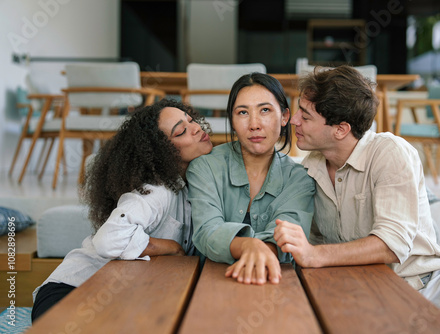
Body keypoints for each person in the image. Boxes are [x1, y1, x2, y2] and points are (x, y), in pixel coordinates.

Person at [273, 65, 440, 333]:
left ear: (341, 129)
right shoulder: (309, 168)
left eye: (306, 116)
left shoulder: (389, 152)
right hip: (371, 293)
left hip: (431, 283)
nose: (293, 120)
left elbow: (391, 245)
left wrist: (315, 255)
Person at [31, 99, 213, 321]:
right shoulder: (157, 190)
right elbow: (109, 240)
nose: (196, 128)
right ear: (162, 151)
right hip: (72, 291)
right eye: (182, 131)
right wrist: (172, 247)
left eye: (191, 120)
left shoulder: (192, 186)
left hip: (116, 295)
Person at [186, 73, 315, 285]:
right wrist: (250, 246)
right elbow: (206, 232)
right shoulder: (205, 167)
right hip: (210, 282)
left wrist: (262, 251)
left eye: (265, 110)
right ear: (233, 122)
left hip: (275, 280)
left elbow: (288, 238)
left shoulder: (299, 178)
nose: (254, 124)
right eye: (243, 112)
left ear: (284, 117)